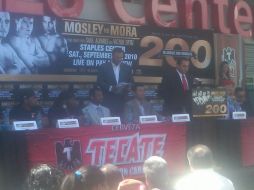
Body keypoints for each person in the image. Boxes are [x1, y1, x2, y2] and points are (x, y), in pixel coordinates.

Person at [97, 47, 133, 115]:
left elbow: (131, 82)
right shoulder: (103, 67)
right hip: (108, 99)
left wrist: (128, 87)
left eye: (121, 58)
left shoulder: (127, 68)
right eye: (117, 57)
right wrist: (111, 88)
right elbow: (99, 82)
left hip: (122, 100)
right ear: (112, 56)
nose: (119, 59)